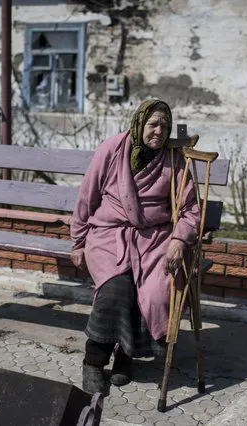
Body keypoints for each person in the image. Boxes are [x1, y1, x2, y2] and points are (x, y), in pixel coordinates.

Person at [70, 99, 201, 395]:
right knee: (117, 287)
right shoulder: (113, 148)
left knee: (152, 291)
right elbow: (86, 197)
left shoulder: (174, 159)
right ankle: (93, 362)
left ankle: (126, 358)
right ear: (140, 122)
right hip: (108, 235)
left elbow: (191, 208)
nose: (159, 131)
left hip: (155, 239)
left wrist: (179, 239)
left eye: (164, 126)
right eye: (153, 124)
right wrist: (77, 242)